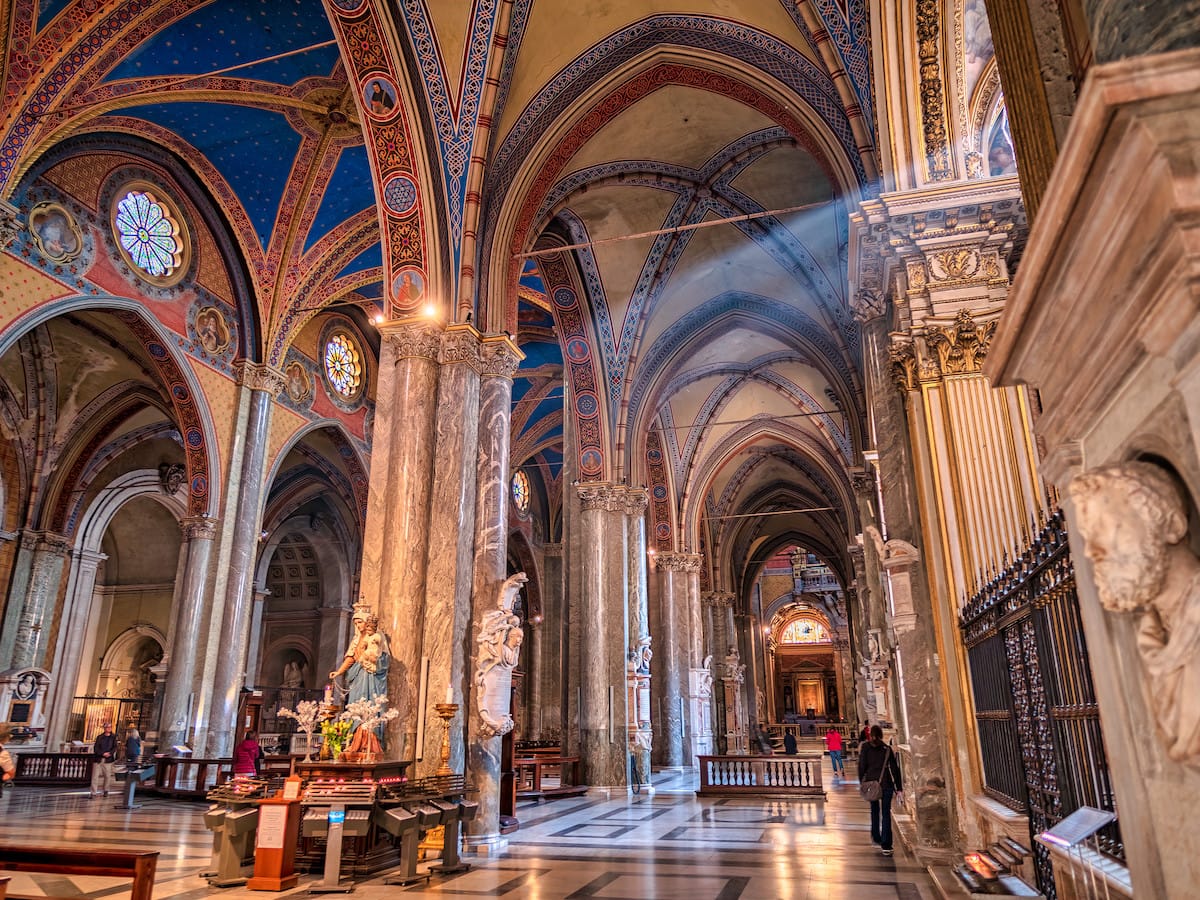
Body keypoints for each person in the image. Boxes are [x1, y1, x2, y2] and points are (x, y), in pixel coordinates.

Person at [1069, 462, 1200, 762]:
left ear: (1171, 524)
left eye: (1105, 528)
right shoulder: (1152, 637)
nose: (1091, 551)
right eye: (1089, 536)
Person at [330, 605, 390, 710]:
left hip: (370, 675)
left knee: (368, 701)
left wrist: (371, 659)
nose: (357, 625)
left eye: (360, 622)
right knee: (355, 700)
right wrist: (339, 672)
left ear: (367, 622)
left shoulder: (376, 636)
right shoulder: (356, 638)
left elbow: (383, 658)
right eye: (355, 623)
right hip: (357, 674)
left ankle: (366, 725)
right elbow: (351, 657)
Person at [858, 725, 903, 856]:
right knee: (886, 814)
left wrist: (862, 782)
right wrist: (899, 788)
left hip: (872, 785)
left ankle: (876, 837)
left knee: (874, 811)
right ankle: (886, 845)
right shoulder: (887, 749)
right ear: (882, 735)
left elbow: (861, 767)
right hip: (886, 785)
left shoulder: (866, 748)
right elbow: (895, 770)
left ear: (870, 735)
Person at [91, 722, 118, 798]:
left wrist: (110, 753)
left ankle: (106, 790)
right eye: (106, 727)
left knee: (107, 776)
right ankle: (93, 792)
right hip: (98, 758)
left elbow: (115, 747)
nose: (108, 729)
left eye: (109, 727)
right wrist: (102, 753)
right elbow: (96, 748)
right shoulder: (99, 737)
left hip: (108, 760)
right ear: (104, 728)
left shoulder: (113, 737)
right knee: (95, 776)